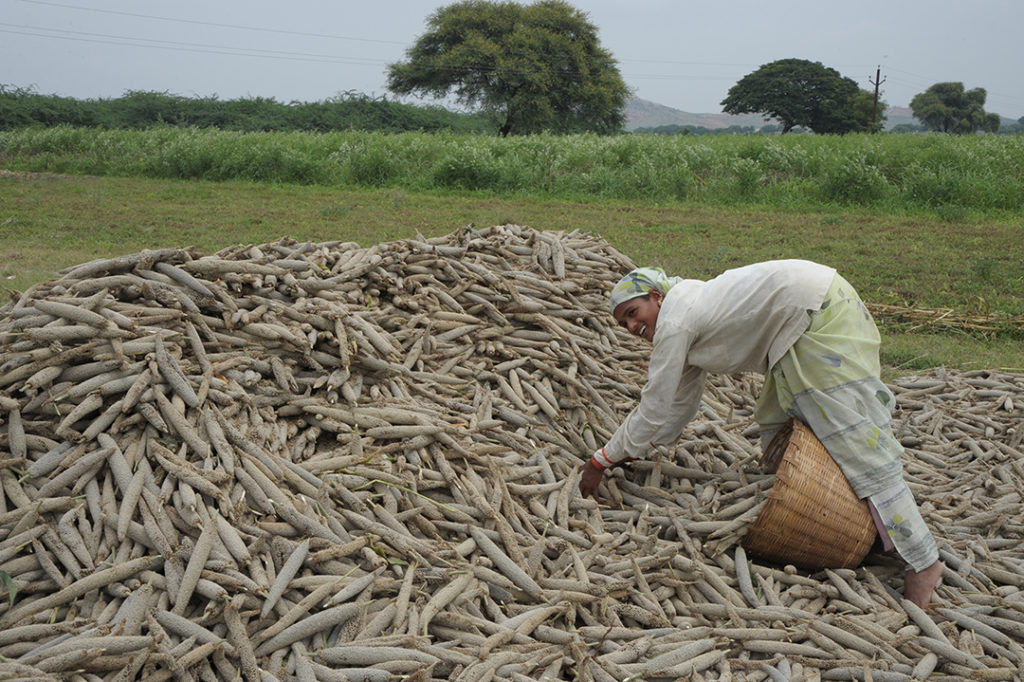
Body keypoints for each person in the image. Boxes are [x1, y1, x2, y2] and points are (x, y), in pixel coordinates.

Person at [578, 261, 944, 607]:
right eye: (623, 323)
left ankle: (923, 561)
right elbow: (679, 407)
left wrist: (602, 459)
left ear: (656, 296)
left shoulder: (676, 319)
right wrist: (639, 449)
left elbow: (654, 404)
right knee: (776, 420)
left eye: (632, 313)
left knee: (854, 438)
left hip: (819, 311)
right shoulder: (684, 314)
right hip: (795, 326)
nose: (631, 327)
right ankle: (838, 517)